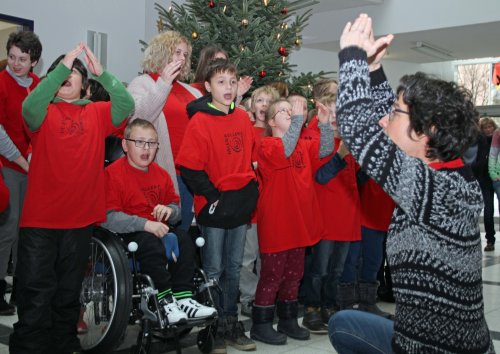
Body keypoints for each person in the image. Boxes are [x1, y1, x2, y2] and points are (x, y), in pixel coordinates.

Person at [328, 14, 494, 353]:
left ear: (426, 130)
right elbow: (382, 122)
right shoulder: (441, 170)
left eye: (395, 112)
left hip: (437, 350)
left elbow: (358, 129)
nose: (386, 118)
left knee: (345, 326)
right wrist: (374, 69)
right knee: (344, 324)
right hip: (412, 337)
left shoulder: (442, 192)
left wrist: (352, 57)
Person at [9, 43, 134, 354]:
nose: (66, 76)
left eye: (73, 73)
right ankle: (29, 347)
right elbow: (28, 108)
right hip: (41, 220)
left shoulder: (97, 112)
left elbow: (125, 103)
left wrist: (101, 72)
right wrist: (63, 67)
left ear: (86, 85)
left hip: (79, 220)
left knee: (68, 291)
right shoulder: (41, 111)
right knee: (36, 290)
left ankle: (63, 344)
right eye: (60, 72)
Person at [176, 58, 258, 353]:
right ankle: (213, 330)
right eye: (221, 82)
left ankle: (230, 323)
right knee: (213, 268)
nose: (228, 88)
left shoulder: (242, 118)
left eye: (232, 82)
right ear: (208, 87)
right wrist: (213, 197)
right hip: (214, 205)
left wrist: (249, 191)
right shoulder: (200, 120)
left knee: (234, 267)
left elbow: (249, 159)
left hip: (238, 205)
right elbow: (189, 167)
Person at [101, 118, 216, 324]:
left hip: (158, 229)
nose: (146, 148)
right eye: (140, 142)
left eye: (152, 143)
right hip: (127, 234)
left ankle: (184, 298)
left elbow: (176, 210)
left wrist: (169, 211)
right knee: (150, 243)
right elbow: (108, 218)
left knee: (184, 239)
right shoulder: (112, 175)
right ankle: (162, 300)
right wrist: (145, 224)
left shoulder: (161, 174)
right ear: (125, 145)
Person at [250, 98, 333, 345]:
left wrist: (326, 125)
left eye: (292, 110)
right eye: (283, 111)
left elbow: (325, 150)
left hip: (299, 224)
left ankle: (288, 319)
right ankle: (261, 325)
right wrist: (298, 120)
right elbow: (284, 150)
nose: (290, 113)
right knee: (272, 275)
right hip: (278, 222)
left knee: (294, 274)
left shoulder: (300, 146)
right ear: (271, 121)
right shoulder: (268, 145)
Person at [128, 31, 202, 232]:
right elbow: (138, 119)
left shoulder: (192, 91)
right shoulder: (142, 84)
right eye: (176, 52)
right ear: (161, 53)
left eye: (185, 54)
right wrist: (163, 84)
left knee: (182, 235)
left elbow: (212, 122)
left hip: (191, 174)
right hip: (162, 171)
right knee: (161, 235)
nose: (182, 58)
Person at [301, 93, 360, 333]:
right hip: (325, 217)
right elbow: (321, 176)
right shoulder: (320, 142)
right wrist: (341, 155)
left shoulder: (350, 144)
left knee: (337, 269)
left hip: (347, 217)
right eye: (332, 113)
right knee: (320, 268)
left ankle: (329, 305)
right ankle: (312, 308)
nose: (337, 118)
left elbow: (359, 181)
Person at [0, 31, 41, 316]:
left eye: (22, 59)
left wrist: (33, 157)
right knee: (8, 229)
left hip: (33, 167)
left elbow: (40, 127)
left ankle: (21, 289)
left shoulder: (40, 86)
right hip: (7, 165)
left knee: (29, 231)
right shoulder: (0, 82)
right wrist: (22, 160)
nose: (15, 64)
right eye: (12, 57)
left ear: (34, 62)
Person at [239, 85, 279, 318]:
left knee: (269, 256)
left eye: (268, 101)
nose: (263, 105)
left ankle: (266, 297)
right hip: (251, 208)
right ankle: (248, 297)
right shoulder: (246, 130)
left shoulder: (278, 134)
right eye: (259, 100)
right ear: (252, 106)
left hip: (272, 206)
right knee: (247, 257)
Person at [474, 117, 497, 251]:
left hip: (497, 178)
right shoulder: (481, 141)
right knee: (488, 211)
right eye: (486, 127)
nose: (489, 130)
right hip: (485, 180)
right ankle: (490, 240)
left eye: (490, 127)